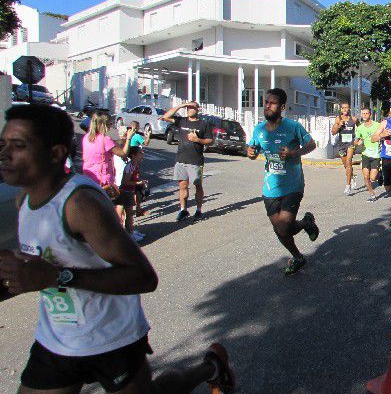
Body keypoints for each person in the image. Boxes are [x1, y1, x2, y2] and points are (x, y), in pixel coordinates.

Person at [0, 103, 235, 394]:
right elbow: (39, 268)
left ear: (56, 153)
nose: (4, 154)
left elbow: (143, 277)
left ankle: (211, 367)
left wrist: (56, 277)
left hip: (111, 338)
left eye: (19, 145)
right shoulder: (24, 201)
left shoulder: (80, 204)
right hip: (57, 339)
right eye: (3, 143)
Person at [247, 88, 320, 276]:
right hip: (270, 187)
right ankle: (298, 256)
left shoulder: (293, 126)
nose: (268, 106)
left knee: (285, 225)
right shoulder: (259, 129)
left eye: (272, 103)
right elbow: (252, 150)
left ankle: (305, 223)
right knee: (279, 229)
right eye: (266, 102)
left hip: (293, 185)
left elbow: (312, 145)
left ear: (282, 107)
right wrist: (251, 153)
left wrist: (293, 153)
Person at [161, 101, 213, 221]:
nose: (190, 109)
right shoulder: (182, 121)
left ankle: (198, 210)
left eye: (192, 107)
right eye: (188, 107)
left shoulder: (203, 124)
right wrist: (180, 106)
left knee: (197, 185)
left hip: (195, 160)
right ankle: (183, 210)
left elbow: (210, 140)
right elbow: (166, 117)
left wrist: (198, 139)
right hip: (181, 159)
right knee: (182, 186)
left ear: (198, 109)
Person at [82, 112, 131, 191]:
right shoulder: (105, 139)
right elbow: (123, 153)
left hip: (88, 177)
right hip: (103, 180)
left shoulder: (86, 137)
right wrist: (129, 138)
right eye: (109, 123)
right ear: (103, 125)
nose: (111, 126)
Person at [118, 146, 148, 242]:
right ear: (134, 155)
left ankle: (131, 231)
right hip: (126, 192)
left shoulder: (135, 165)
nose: (142, 154)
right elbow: (125, 182)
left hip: (130, 191)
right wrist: (139, 183)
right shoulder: (130, 166)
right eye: (140, 153)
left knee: (130, 214)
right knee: (129, 214)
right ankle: (129, 234)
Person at [331, 102, 359, 195]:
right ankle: (352, 176)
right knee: (346, 166)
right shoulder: (338, 119)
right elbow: (333, 132)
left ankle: (348, 186)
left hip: (351, 144)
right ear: (341, 109)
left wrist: (358, 139)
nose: (345, 110)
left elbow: (361, 128)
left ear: (349, 109)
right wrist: (339, 125)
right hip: (341, 145)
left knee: (348, 162)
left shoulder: (354, 119)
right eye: (343, 108)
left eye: (346, 108)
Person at [355, 106, 381, 202]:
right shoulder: (360, 128)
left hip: (375, 154)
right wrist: (358, 143)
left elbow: (384, 134)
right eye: (363, 114)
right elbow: (356, 141)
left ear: (370, 114)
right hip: (365, 154)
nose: (365, 115)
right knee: (366, 177)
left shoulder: (377, 125)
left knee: (373, 178)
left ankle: (380, 174)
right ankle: (371, 194)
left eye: (366, 113)